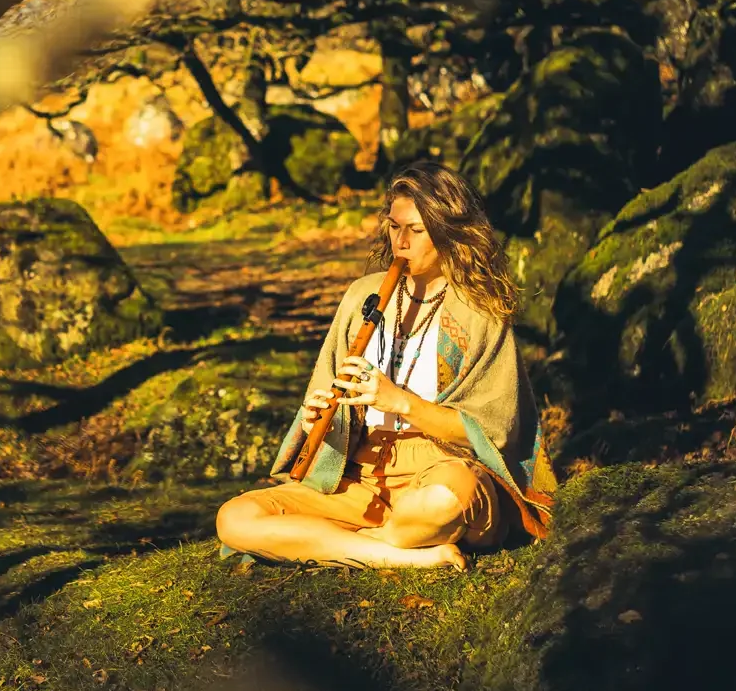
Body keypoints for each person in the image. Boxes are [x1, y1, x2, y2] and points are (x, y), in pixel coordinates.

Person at [215, 161, 554, 571]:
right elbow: (331, 410)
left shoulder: (480, 311)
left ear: (449, 231)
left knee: (447, 501)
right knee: (235, 517)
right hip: (359, 474)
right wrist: (315, 422)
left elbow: (493, 431)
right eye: (394, 227)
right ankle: (395, 553)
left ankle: (330, 543)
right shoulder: (363, 296)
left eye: (416, 230)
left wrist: (401, 402)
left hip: (442, 468)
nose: (401, 242)